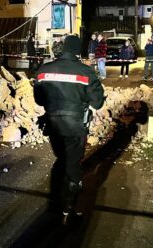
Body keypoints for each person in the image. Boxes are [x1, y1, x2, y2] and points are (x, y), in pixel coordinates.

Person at [33, 35, 105, 224]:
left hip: (54, 126)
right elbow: (97, 103)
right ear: (77, 51)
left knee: (62, 160)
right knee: (73, 164)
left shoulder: (44, 71)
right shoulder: (85, 72)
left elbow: (39, 99)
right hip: (75, 127)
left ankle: (56, 204)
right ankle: (70, 207)